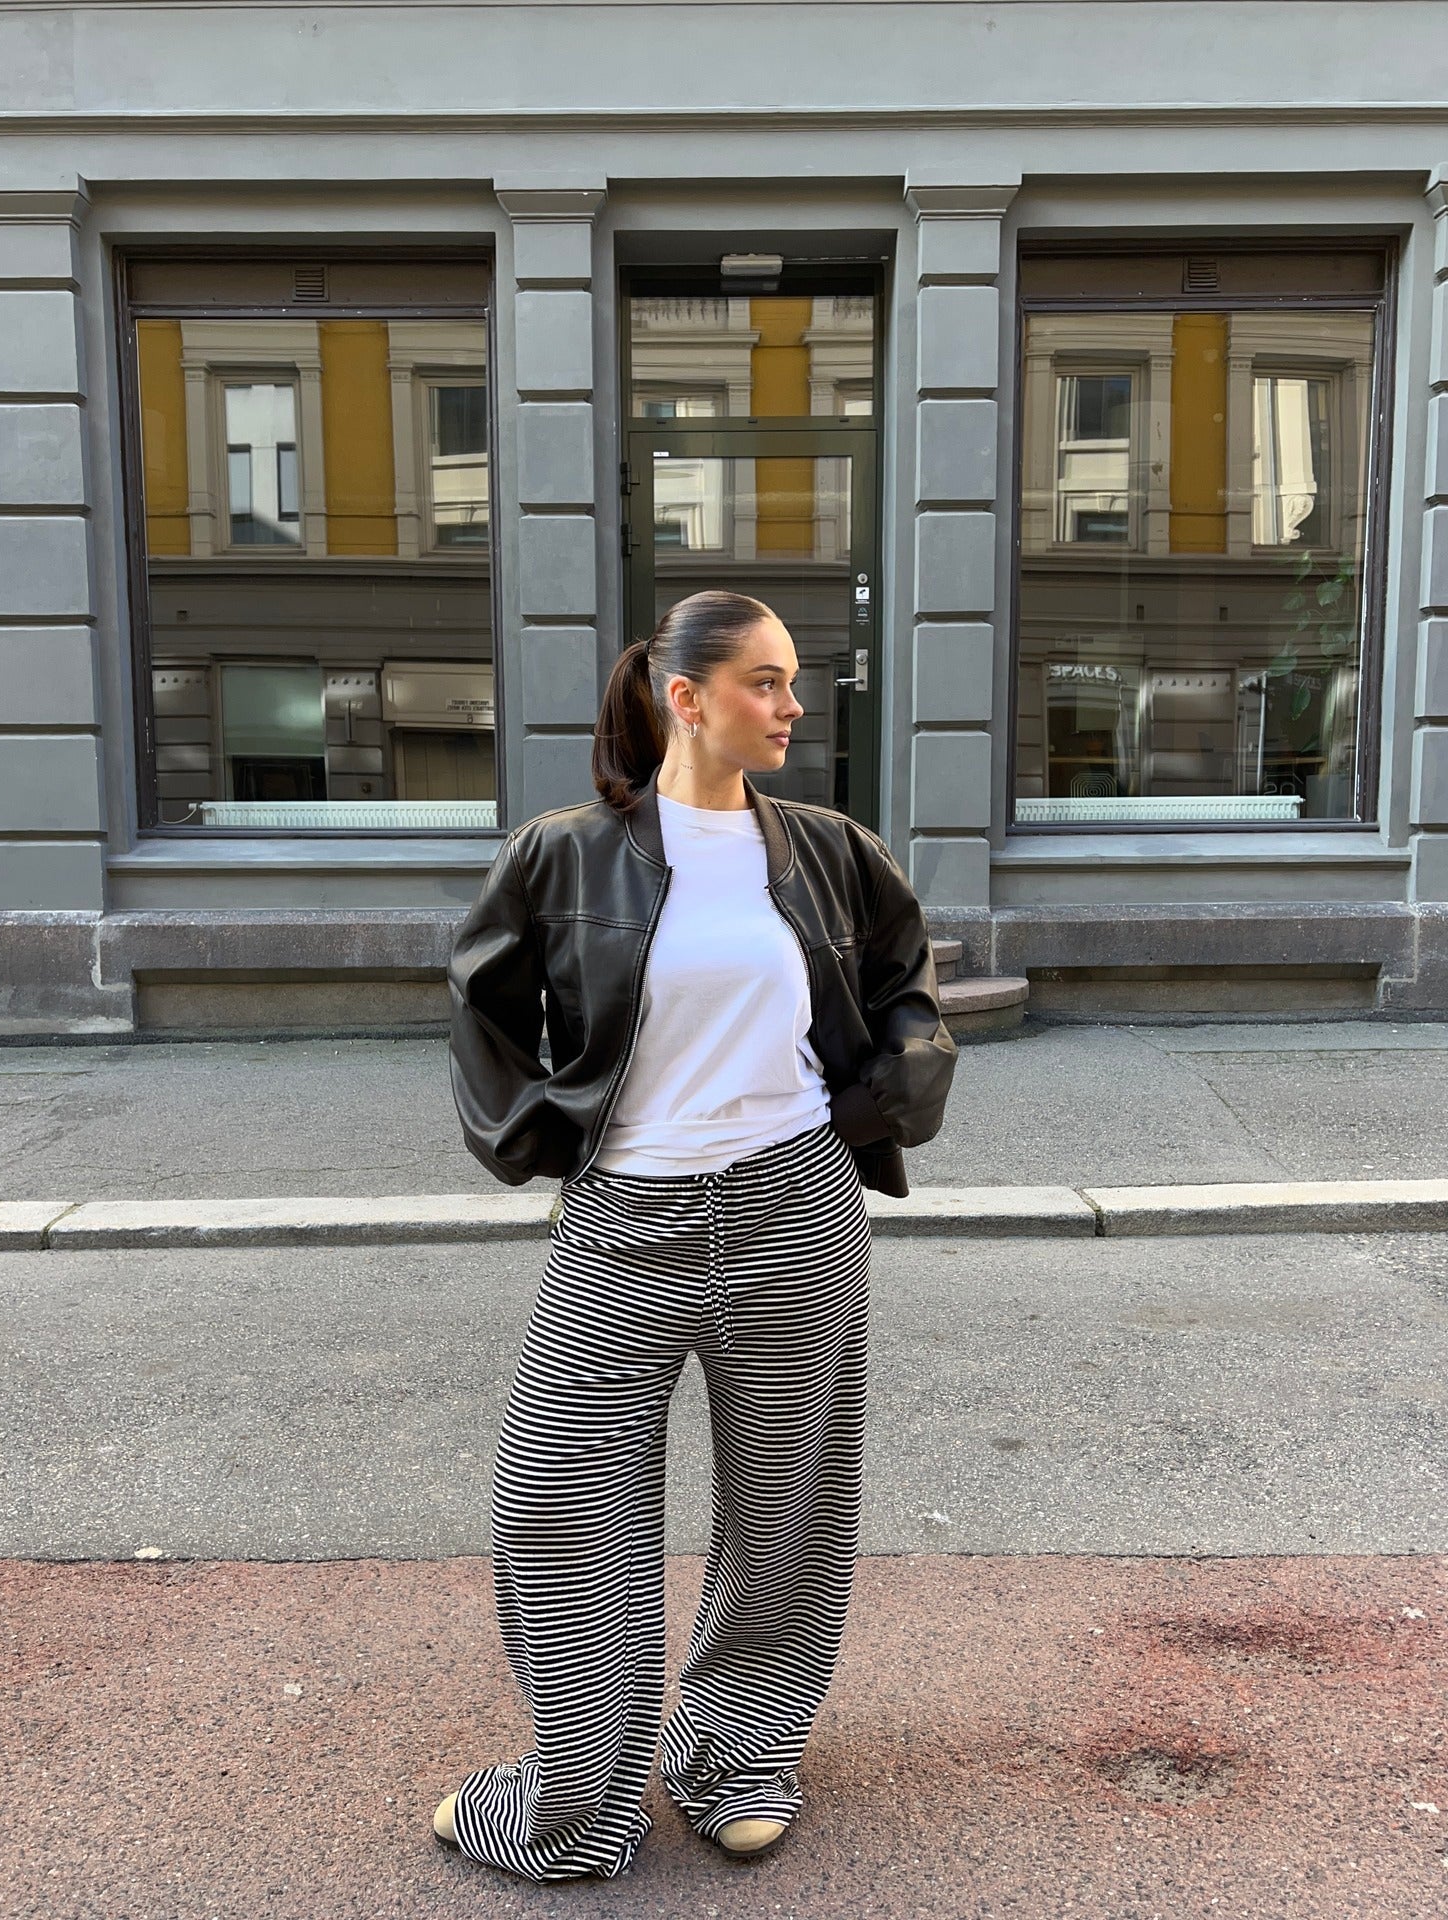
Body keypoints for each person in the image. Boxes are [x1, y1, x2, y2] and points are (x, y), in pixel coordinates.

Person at [433, 588, 957, 1882]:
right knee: (560, 1509)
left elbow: (905, 987)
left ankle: (736, 1755)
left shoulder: (830, 849)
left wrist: (877, 1100)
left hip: (797, 1210)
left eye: (793, 682)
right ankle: (579, 1800)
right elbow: (483, 1004)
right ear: (686, 696)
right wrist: (541, 1134)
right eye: (765, 683)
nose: (792, 707)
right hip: (622, 1222)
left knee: (786, 1507)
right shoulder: (563, 853)